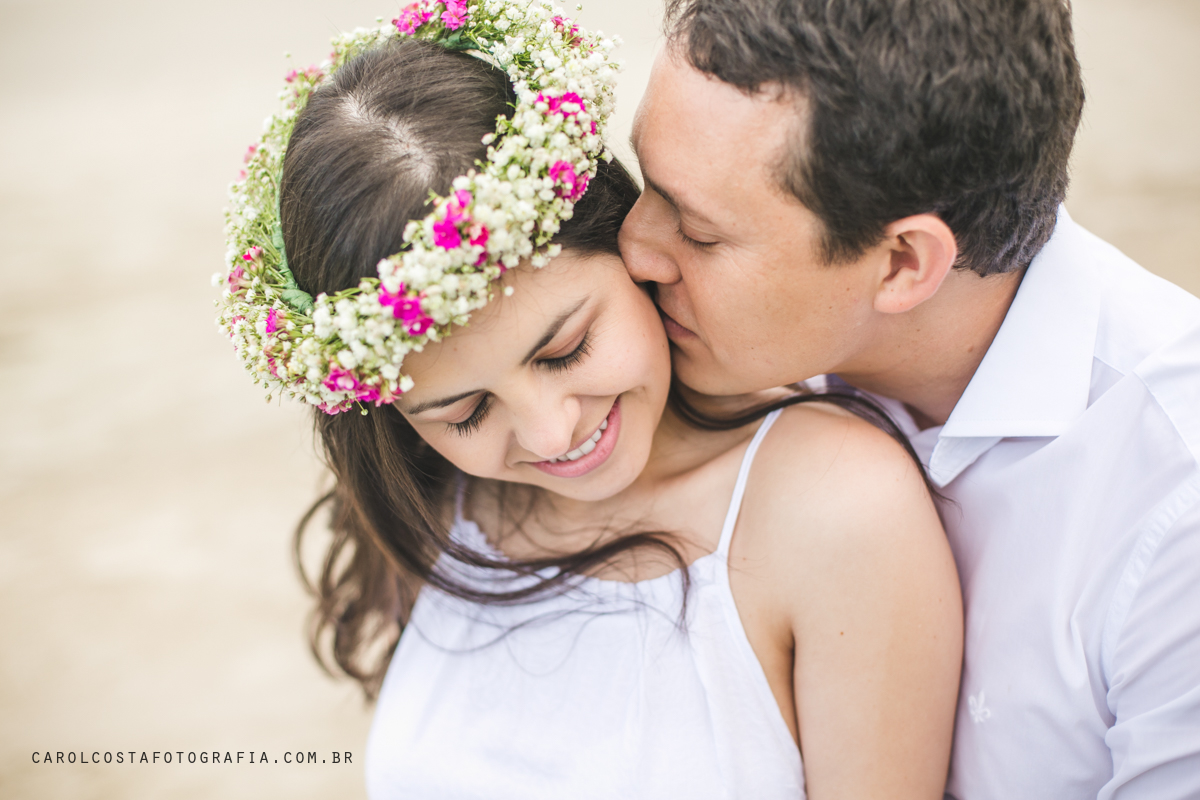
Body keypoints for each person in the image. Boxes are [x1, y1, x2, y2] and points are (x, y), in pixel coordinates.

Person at [217, 3, 960, 798]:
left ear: (627, 242)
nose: (550, 433)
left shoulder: (835, 511)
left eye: (566, 350)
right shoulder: (434, 504)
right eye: (465, 412)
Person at [617, 1, 1200, 797]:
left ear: (901, 264)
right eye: (645, 181)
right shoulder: (677, 358)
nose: (635, 249)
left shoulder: (1173, 516)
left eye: (700, 233)